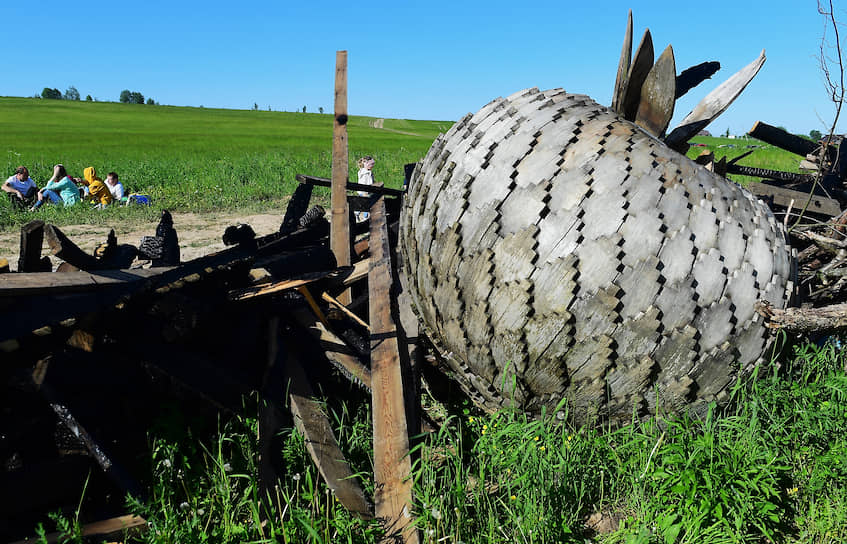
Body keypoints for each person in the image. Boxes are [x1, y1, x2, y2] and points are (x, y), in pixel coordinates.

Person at [355, 155, 375, 222]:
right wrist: (365, 191)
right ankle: (360, 215)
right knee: (364, 205)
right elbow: (364, 183)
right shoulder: (364, 173)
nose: (372, 166)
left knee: (365, 204)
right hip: (364, 191)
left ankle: (361, 215)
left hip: (369, 191)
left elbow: (372, 181)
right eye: (371, 164)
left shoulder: (370, 172)